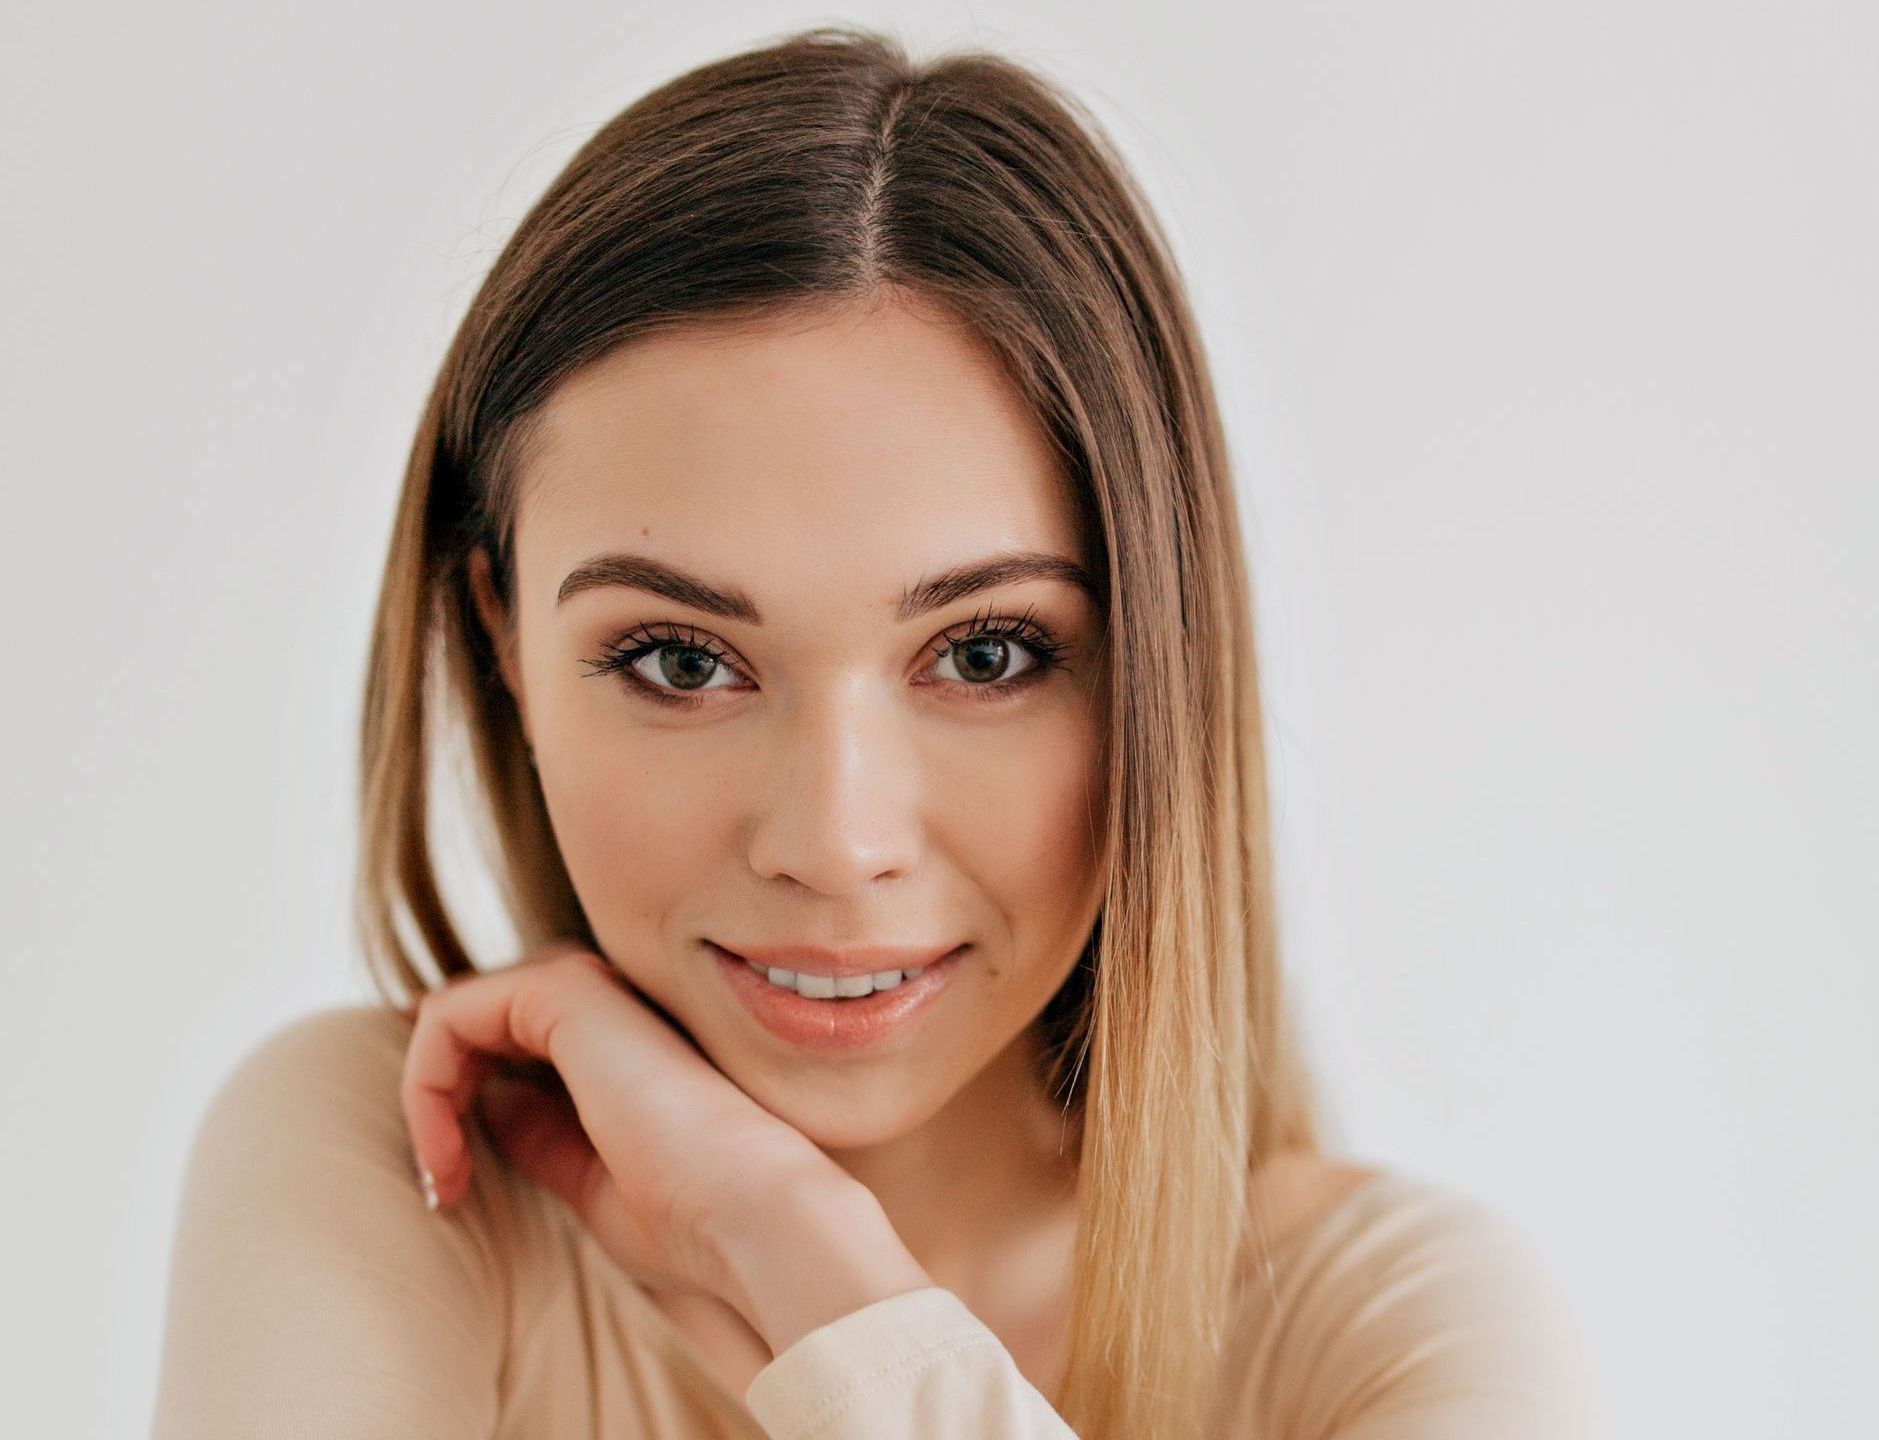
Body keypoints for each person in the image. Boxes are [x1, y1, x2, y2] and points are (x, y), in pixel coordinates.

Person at [150, 24, 1606, 1440]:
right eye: (676, 658)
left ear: (1159, 672)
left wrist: (810, 1266)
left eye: (986, 653)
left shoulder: (1402, 1332)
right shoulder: (391, 1168)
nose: (836, 845)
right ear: (502, 644)